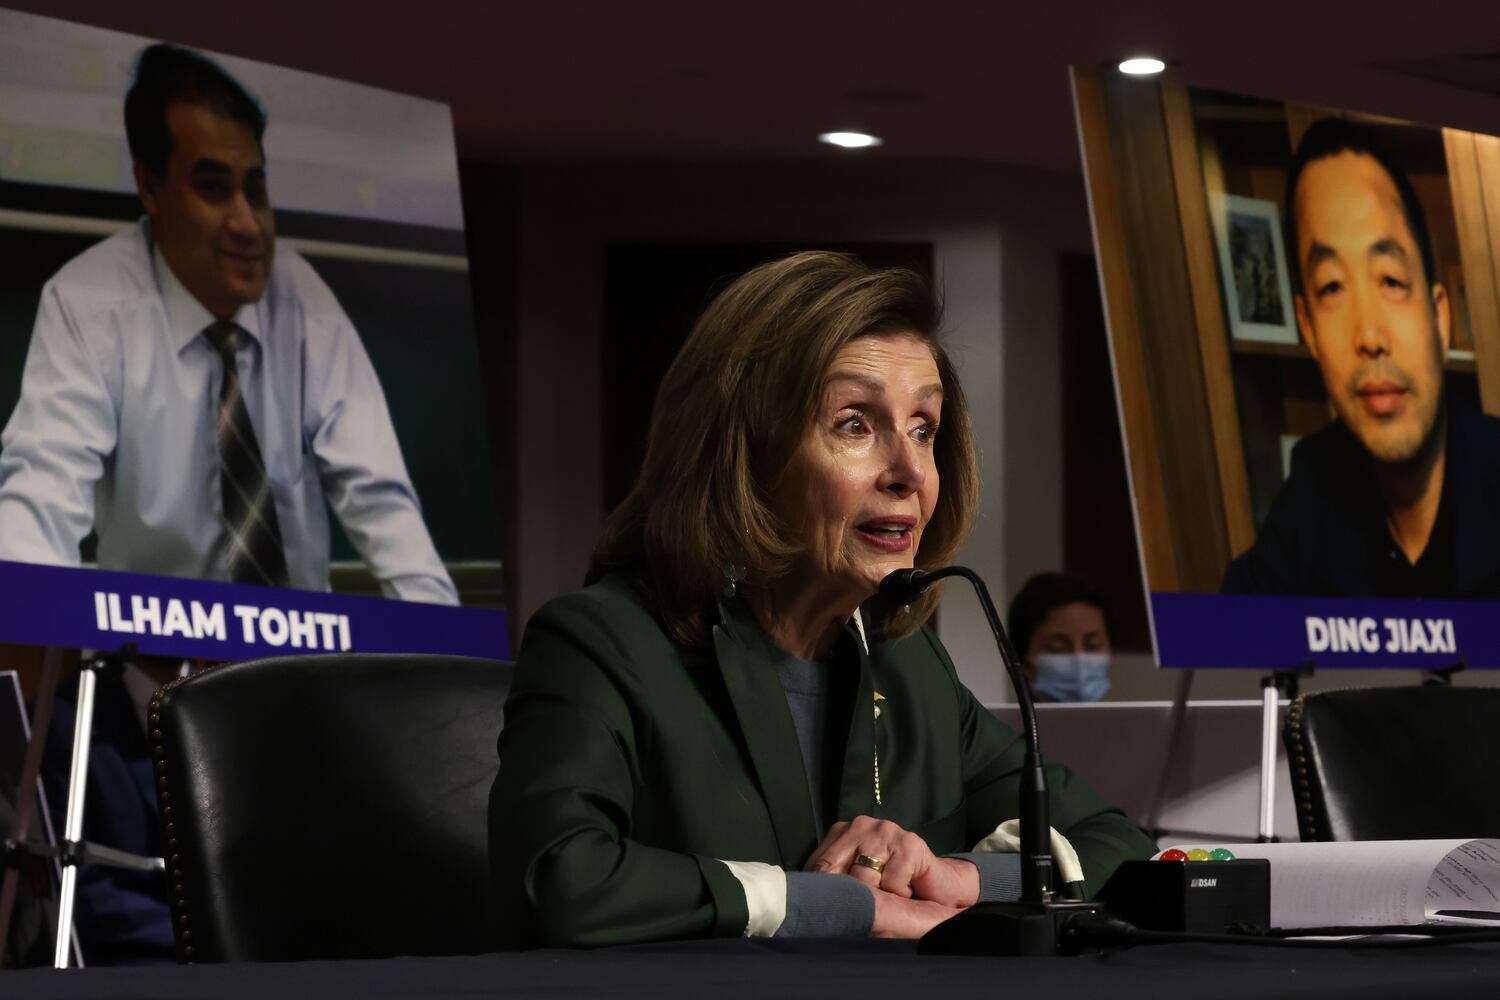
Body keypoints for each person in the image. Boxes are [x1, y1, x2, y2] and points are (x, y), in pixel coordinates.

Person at [489, 252, 1156, 948]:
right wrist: (843, 905)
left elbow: (1122, 844)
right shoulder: (602, 642)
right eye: (854, 425)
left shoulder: (909, 666)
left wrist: (953, 879)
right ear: (744, 453)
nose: (909, 471)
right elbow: (560, 880)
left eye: (924, 427)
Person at [0, 43, 456, 604]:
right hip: (147, 664)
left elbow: (384, 505)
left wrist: (449, 670)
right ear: (150, 187)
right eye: (214, 188)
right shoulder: (87, 303)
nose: (248, 224)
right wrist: (27, 627)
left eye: (256, 189)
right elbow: (39, 501)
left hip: (292, 661)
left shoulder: (304, 302)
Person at [1222, 117, 1500, 598]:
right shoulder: (1311, 496)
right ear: (1307, 329)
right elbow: (1221, 649)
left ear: (1439, 318)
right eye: (1332, 287)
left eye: (1391, 281)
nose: (1369, 335)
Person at [1007, 573, 1112, 703]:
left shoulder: (1128, 723)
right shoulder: (998, 723)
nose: (1079, 658)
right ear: (1023, 662)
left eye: (1092, 644)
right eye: (1057, 648)